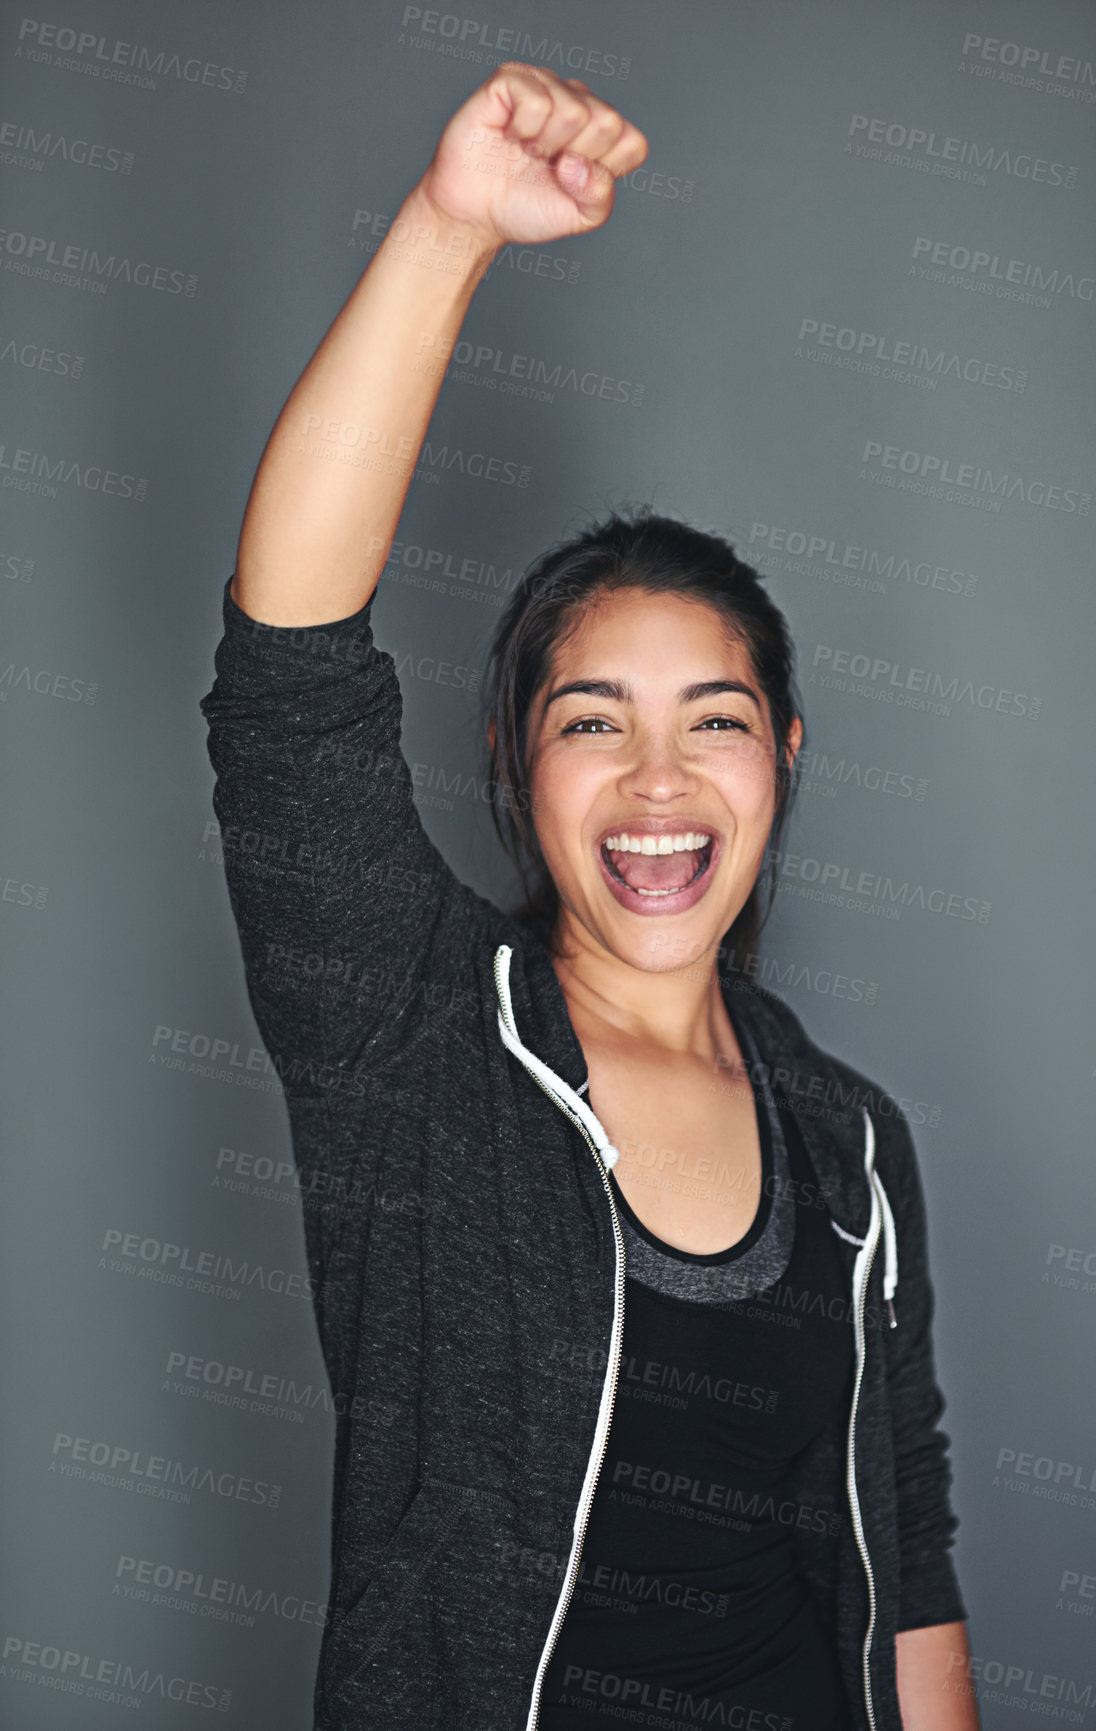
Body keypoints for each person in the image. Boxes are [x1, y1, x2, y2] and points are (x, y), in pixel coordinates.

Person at [199, 62, 979, 1731]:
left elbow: (905, 1564)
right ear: (512, 763)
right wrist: (449, 231)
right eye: (590, 723)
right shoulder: (408, 1036)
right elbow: (285, 674)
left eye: (713, 723)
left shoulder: (850, 1142)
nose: (656, 784)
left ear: (782, 757)